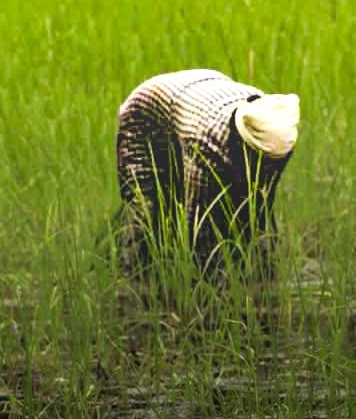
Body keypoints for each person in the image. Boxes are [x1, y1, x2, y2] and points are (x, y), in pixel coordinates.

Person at [116, 69, 299, 275]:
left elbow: (259, 202)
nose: (271, 168)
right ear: (246, 147)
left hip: (200, 94)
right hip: (146, 115)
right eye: (265, 161)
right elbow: (197, 222)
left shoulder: (275, 119)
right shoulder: (207, 142)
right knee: (148, 210)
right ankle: (134, 275)